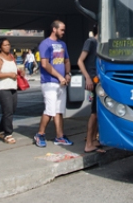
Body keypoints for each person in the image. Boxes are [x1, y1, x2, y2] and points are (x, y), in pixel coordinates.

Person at [34, 20, 73, 148]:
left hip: (61, 82)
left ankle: (60, 136)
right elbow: (45, 64)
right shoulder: (45, 44)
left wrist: (67, 74)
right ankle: (40, 134)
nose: (63, 32)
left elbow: (67, 61)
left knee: (59, 111)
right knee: (50, 111)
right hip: (49, 83)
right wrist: (60, 76)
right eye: (61, 29)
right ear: (54, 29)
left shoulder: (63, 44)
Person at [77, 25, 105, 154]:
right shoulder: (91, 42)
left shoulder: (101, 43)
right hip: (93, 81)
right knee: (94, 113)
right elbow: (80, 61)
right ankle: (88, 143)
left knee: (97, 112)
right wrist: (87, 77)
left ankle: (93, 140)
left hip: (99, 81)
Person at [0, 38, 20, 144]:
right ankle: (8, 134)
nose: (8, 46)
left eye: (9, 44)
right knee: (8, 111)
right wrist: (9, 74)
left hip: (12, 86)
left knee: (11, 110)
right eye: (5, 45)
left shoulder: (11, 57)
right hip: (2, 88)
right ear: (0, 47)